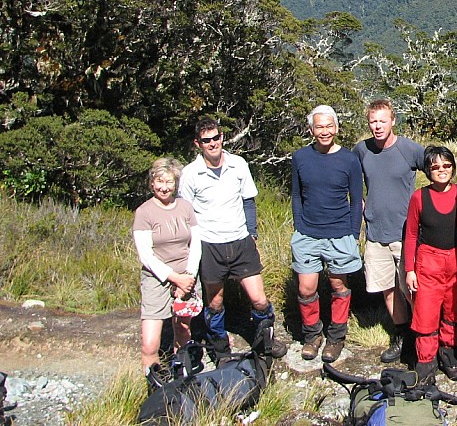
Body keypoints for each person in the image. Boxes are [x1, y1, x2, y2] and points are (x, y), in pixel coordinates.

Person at [178, 115, 287, 360]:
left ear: (222, 137)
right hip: (210, 245)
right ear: (198, 144)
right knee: (215, 303)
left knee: (259, 300)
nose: (213, 143)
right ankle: (219, 347)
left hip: (240, 241)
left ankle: (266, 340)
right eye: (207, 141)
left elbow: (248, 201)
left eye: (216, 138)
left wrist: (252, 233)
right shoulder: (191, 174)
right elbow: (185, 213)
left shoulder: (238, 165)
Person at [291, 105, 364, 363]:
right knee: (306, 287)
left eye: (329, 126)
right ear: (311, 130)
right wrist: (299, 225)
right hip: (308, 233)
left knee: (338, 284)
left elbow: (357, 199)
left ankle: (336, 336)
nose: (324, 131)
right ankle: (312, 335)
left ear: (337, 128)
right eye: (319, 126)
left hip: (340, 232)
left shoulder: (349, 159)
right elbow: (297, 195)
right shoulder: (300, 158)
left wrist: (353, 233)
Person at [354, 98, 425, 363]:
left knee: (413, 290)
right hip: (376, 233)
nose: (377, 126)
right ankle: (401, 336)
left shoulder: (409, 149)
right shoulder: (362, 150)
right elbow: (349, 176)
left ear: (393, 120)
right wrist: (357, 201)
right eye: (373, 121)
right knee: (387, 289)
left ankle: (422, 338)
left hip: (406, 233)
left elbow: (437, 168)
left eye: (383, 120)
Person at [403, 145, 457, 385]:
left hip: (456, 259)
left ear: (453, 168)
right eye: (435, 167)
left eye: (446, 166)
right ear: (427, 170)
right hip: (428, 261)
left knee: (455, 310)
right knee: (426, 312)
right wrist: (409, 270)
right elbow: (411, 235)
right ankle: (426, 361)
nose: (441, 170)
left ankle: (448, 352)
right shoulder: (419, 197)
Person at [132, 157, 202, 380]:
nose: (164, 187)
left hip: (186, 274)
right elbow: (146, 255)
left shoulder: (185, 207)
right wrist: (175, 278)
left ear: (176, 183)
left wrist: (188, 277)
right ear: (152, 183)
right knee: (150, 342)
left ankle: (181, 376)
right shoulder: (144, 212)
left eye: (169, 182)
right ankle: (152, 384)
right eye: (159, 181)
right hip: (157, 277)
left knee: (183, 329)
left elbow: (196, 243)